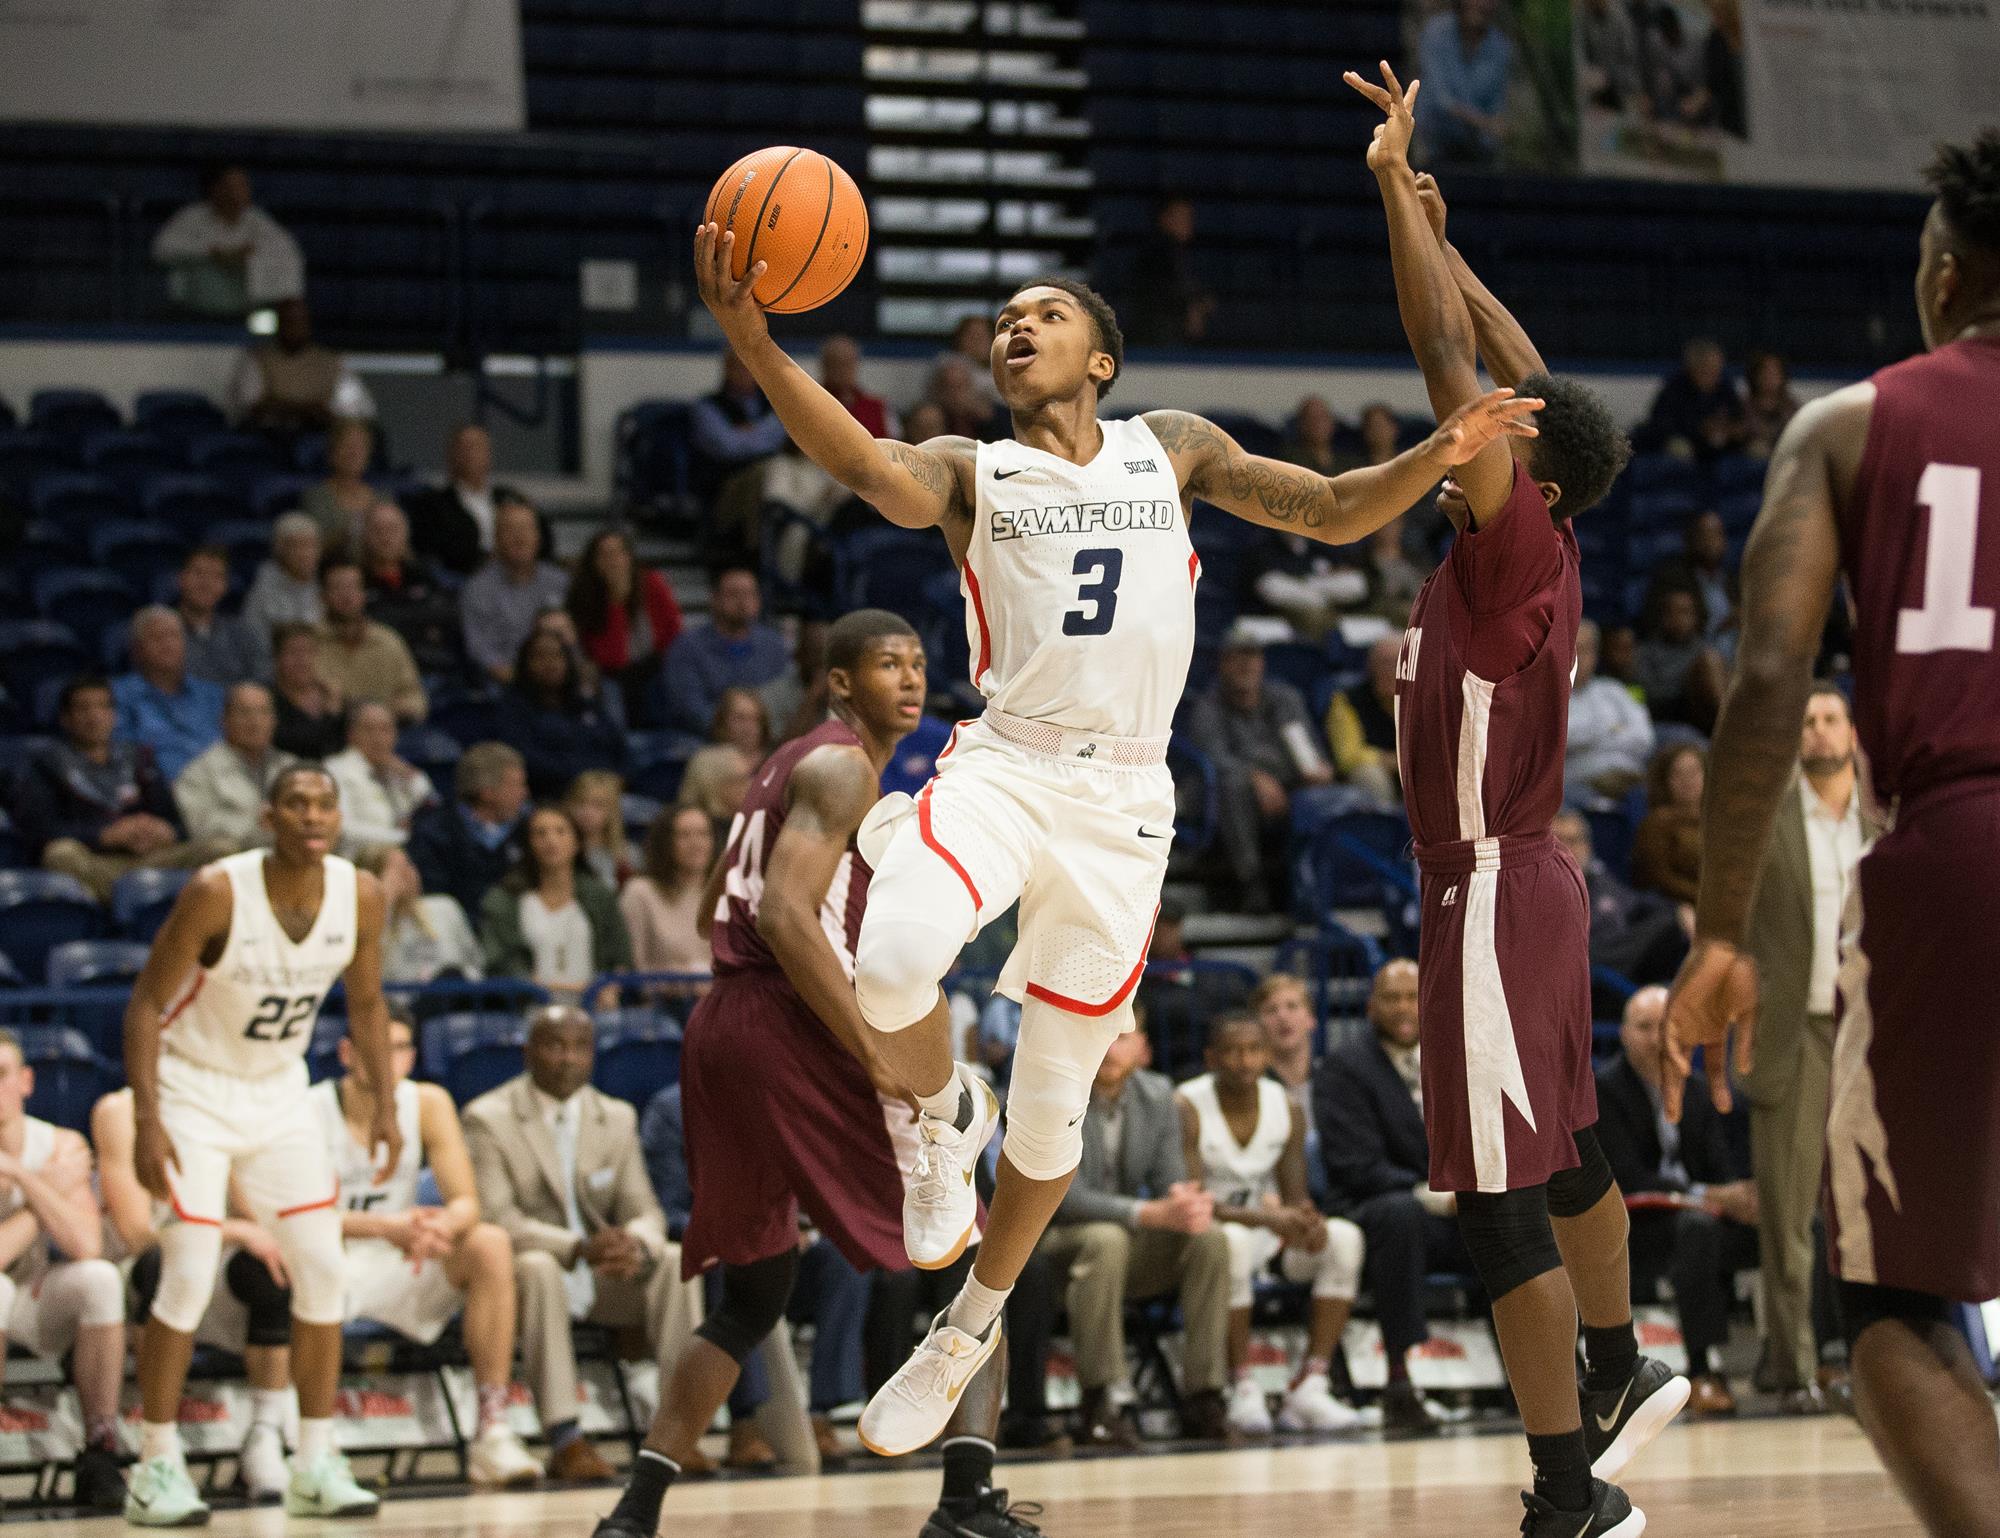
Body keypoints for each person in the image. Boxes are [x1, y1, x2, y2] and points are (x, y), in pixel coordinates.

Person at [688, 154, 1536, 1470]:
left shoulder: (1170, 446)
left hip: (1127, 801)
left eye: (1044, 314)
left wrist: (1438, 451)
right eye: (1002, 320)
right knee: (894, 960)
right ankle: (934, 1120)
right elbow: (861, 461)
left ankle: (966, 1325)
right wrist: (753, 340)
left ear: (1101, 359)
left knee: (1051, 1114)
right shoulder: (971, 470)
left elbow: (1323, 510)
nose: (1014, 328)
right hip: (1007, 765)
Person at [1342, 85, 1682, 1536]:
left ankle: (1565, 1493)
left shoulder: (1511, 540)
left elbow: (1454, 364)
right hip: (1521, 884)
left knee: (1494, 1200)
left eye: (1490, 438)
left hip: (1486, 888)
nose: (1468, 437)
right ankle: (1615, 1359)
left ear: (1518, 471)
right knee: (1565, 1146)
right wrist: (1442, 235)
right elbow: (1521, 373)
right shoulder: (1547, 532)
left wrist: (1390, 189)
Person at [1667, 135, 2000, 1538]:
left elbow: (1766, 677)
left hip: (1960, 845)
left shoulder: (1850, 424)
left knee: (1894, 1301)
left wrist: (1720, 929)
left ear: (1943, 278)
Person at [592, 611, 1052, 1538]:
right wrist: (872, 1051)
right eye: (887, 664)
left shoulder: (791, 766)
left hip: (722, 1028)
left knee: (754, 1294)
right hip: (791, 1027)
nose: (910, 679)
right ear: (840, 682)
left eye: (917, 663)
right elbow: (784, 917)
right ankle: (967, 1502)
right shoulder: (843, 768)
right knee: (979, 1260)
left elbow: (733, 912)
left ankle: (632, 1516)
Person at [119, 763, 401, 1526]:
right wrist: (147, 1117)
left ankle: (314, 1461)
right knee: (186, 1273)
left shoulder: (362, 894)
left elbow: (368, 1004)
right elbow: (145, 1005)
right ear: (268, 817)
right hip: (193, 1088)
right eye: (296, 803)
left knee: (322, 1268)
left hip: (278, 1090)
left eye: (325, 804)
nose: (313, 815)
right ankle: (155, 1465)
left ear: (339, 817)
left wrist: (386, 1106)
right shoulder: (218, 890)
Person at [463, 1006, 703, 1484]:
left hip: (602, 1273)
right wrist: (576, 1247)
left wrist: (634, 1243)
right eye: (555, 1046)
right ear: (528, 1052)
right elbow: (498, 1218)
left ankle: (677, 1431)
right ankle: (565, 1438)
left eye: (579, 1048)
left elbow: (645, 1209)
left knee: (673, 1260)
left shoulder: (615, 1116)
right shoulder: (487, 1117)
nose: (568, 1058)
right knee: (538, 1267)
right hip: (528, 1276)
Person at [308, 1008, 543, 1486]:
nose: (385, 1060)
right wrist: (385, 1227)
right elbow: (299, 1219)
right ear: (347, 1053)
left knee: (489, 1243)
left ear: (411, 1057)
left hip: (403, 1258)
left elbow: (466, 1202)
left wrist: (439, 1227)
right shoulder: (309, 1109)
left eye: (397, 1049)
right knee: (305, 1260)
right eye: (374, 1049)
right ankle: (315, 1439)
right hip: (329, 1262)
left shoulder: (429, 1103)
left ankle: (493, 1429)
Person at [1738, 686, 1874, 1413]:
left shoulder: (1884, 820)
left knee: (1877, 1216)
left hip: (1876, 1035)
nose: (1819, 731)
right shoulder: (1766, 818)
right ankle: (1794, 1371)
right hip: (1796, 1033)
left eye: (1830, 719)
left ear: (1853, 731)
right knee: (1789, 1215)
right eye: (1808, 721)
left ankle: (1881, 1368)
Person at [96, 1087, 301, 1504]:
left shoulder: (223, 1100)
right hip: (142, 1269)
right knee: (165, 1266)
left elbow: (256, 1219)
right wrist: (236, 1231)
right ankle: (160, 1450)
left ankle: (266, 1434)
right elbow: (138, 1235)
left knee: (270, 1269)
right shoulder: (120, 1111)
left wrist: (240, 1193)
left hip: (215, 1262)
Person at [1036, 1029, 1232, 1446]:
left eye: (1122, 1037)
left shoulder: (1158, 1095)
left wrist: (1183, 1203)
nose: (1109, 1048)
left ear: (1144, 1048)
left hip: (1122, 1246)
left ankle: (1205, 1396)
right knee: (1106, 1239)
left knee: (1209, 1238)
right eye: (1100, 1035)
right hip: (1052, 1247)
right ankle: (1101, 1398)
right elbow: (1062, 1199)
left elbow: (1168, 1180)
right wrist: (1147, 1212)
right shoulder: (1054, 1091)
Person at [1179, 1014, 1366, 1437]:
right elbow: (1193, 1200)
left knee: (1344, 1239)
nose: (1244, 1061)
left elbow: (1294, 1194)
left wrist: (1307, 1221)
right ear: (1211, 1058)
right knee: (1231, 1241)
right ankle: (1241, 1384)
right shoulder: (1187, 1104)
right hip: (1208, 1235)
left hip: (1269, 1235)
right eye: (1232, 1051)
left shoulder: (1286, 1105)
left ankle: (1311, 1384)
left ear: (1266, 1056)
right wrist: (1270, 1217)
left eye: (1253, 1050)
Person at [1314, 959, 1468, 1434]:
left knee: (1514, 1215)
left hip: (1449, 1208)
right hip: (1370, 1205)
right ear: (1371, 1007)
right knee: (1399, 1217)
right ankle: (1399, 1378)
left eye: (1412, 997)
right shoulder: (1344, 1067)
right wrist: (1435, 1195)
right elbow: (1355, 1165)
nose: (1404, 1008)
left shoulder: (1454, 1057)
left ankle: (1544, 1368)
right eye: (1392, 998)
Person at [1595, 988, 1758, 1417]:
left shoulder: (1698, 1089)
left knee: (1799, 1226)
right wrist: (1706, 1196)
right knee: (1697, 1231)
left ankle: (1817, 1359)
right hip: (1636, 1227)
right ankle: (1703, 1370)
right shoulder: (1603, 1091)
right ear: (1624, 1035)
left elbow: (1720, 1169)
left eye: (1664, 1027)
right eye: (1644, 1027)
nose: (1656, 1038)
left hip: (1698, 1219)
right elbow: (1627, 1178)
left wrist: (1739, 1197)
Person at [0, 1031, 129, 1508]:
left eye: (1, 1075)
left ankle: (100, 1448)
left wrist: (24, 1178)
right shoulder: (58, 1163)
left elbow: (86, 1244)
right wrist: (46, 1188)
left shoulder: (60, 1143)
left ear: (26, 1081)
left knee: (101, 1279)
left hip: (33, 1294)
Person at [21, 677, 226, 903]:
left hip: (151, 858)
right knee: (60, 854)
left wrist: (163, 831)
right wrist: (103, 836)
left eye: (103, 706)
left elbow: (176, 824)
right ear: (65, 719)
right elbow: (42, 831)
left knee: (221, 847)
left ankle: (137, 896)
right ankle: (139, 899)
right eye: (84, 708)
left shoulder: (139, 757)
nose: (95, 716)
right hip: (97, 861)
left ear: (114, 715)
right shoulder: (48, 764)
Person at [1187, 622, 1335, 912]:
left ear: (1262, 662)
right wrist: (1254, 777)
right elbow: (1213, 758)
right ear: (1223, 664)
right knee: (1234, 786)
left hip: (1285, 785)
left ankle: (1316, 890)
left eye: (1252, 656)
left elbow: (1306, 748)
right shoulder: (1208, 706)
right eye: (1237, 657)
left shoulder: (1285, 698)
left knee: (1325, 797)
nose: (1246, 665)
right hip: (1223, 790)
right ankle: (1250, 882)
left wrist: (1318, 769)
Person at [478, 803, 631, 1000]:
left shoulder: (600, 895)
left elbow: (620, 955)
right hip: (529, 1009)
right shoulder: (504, 899)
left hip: (593, 1008)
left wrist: (610, 990)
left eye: (560, 831)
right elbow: (501, 962)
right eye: (540, 833)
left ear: (577, 842)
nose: (551, 840)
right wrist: (539, 990)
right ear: (528, 844)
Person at [1554, 810, 1691, 988]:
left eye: (1574, 840)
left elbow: (1638, 903)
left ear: (1588, 845)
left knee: (1671, 925)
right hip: (1583, 967)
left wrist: (1679, 910)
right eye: (1559, 841)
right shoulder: (1540, 890)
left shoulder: (1601, 881)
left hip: (1622, 960)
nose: (1568, 849)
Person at [151, 163, 304, 318]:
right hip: (195, 305)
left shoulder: (258, 220)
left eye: (243, 185)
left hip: (247, 309)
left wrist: (246, 255)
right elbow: (162, 250)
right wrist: (211, 253)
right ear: (214, 189)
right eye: (232, 186)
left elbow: (287, 251)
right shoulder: (191, 217)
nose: (239, 192)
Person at [655, 566, 792, 734]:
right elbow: (690, 709)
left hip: (767, 736)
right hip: (706, 739)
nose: (742, 602)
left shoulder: (773, 644)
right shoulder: (687, 648)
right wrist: (735, 731)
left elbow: (785, 698)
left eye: (749, 594)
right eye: (734, 594)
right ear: (715, 598)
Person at [567, 528, 683, 720]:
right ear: (594, 562)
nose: (612, 560)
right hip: (610, 675)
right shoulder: (585, 596)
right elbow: (610, 658)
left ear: (629, 557)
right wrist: (616, 600)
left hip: (655, 667)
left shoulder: (651, 583)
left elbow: (674, 632)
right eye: (604, 555)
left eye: (618, 553)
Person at [496, 628, 628, 798]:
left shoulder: (585, 703)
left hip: (607, 792)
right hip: (552, 796)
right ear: (525, 663)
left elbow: (620, 748)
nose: (551, 663)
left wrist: (620, 777)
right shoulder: (513, 707)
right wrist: (584, 776)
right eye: (541, 656)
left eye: (558, 655)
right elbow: (525, 758)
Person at [408, 741, 530, 916]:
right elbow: (434, 898)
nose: (524, 793)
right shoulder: (434, 833)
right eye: (516, 784)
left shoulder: (529, 829)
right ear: (487, 793)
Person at [463, 495, 571, 684]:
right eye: (511, 529)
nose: (520, 537)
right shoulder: (478, 589)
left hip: (561, 682)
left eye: (526, 528)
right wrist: (525, 681)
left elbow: (579, 645)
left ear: (538, 537)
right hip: (507, 684)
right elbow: (481, 653)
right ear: (496, 538)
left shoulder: (560, 582)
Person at [174, 683, 296, 850]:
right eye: (244, 712)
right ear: (224, 720)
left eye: (263, 712)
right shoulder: (197, 774)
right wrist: (260, 824)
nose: (255, 722)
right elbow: (201, 828)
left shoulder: (292, 767)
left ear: (274, 720)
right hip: (234, 858)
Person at [114, 607, 227, 782]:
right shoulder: (118, 696)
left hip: (221, 786)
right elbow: (121, 755)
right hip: (159, 790)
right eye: (156, 637)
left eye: (174, 636)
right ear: (136, 649)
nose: (167, 644)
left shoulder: (212, 695)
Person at [230, 298, 374, 434]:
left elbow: (355, 410)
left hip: (319, 436)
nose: (293, 327)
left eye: (299, 320)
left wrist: (318, 413)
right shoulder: (259, 357)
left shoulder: (330, 361)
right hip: (269, 436)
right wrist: (299, 410)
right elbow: (248, 405)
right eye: (288, 320)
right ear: (279, 323)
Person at [315, 556, 427, 723]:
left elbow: (414, 697)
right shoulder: (309, 644)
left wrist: (384, 712)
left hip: (387, 727)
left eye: (353, 587)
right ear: (323, 596)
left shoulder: (388, 641)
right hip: (329, 729)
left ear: (363, 594)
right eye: (338, 587)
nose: (346, 595)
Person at [324, 701, 436, 865]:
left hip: (405, 855)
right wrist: (402, 837)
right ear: (351, 734)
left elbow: (431, 805)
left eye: (385, 729)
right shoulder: (336, 769)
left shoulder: (397, 770)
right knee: (396, 859)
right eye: (369, 729)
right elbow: (342, 828)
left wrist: (413, 777)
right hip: (356, 858)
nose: (378, 738)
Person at [356, 501, 460, 676]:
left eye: (392, 529)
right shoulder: (357, 579)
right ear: (365, 536)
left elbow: (448, 614)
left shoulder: (424, 573)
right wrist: (421, 622)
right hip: (379, 669)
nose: (385, 537)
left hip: (429, 666)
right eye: (378, 530)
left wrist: (394, 618)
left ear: (405, 534)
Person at [404, 424, 516, 577]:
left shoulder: (509, 498)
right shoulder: (431, 504)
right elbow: (432, 552)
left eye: (477, 446)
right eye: (464, 447)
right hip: (462, 580)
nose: (471, 454)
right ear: (450, 455)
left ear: (489, 454)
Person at [619, 805, 716, 981]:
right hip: (664, 995)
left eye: (703, 834)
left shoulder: (725, 893)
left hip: (719, 994)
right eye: (684, 835)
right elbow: (632, 968)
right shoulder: (640, 892)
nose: (696, 844)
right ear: (665, 843)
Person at [1565, 619, 1655, 805]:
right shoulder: (1548, 698)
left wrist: (1590, 739)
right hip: (1579, 784)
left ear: (1595, 655)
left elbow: (1644, 738)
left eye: (1585, 649)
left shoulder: (1614, 691)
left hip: (1629, 779)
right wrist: (1612, 729)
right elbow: (1563, 741)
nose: (1578, 657)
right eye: (1573, 649)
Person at [1415, 0, 1513, 166]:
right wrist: (1485, 123)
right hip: (1433, 146)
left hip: (1478, 152)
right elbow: (1441, 100)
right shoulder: (1436, 34)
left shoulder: (1501, 48)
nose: (1482, 5)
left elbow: (1496, 107)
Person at [1124, 194, 1216, 346]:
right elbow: (1160, 294)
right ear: (1165, 219)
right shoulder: (1156, 253)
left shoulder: (1177, 253)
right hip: (1156, 340)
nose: (1188, 222)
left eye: (1189, 217)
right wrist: (1190, 307)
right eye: (1181, 217)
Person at [1635, 583, 1726, 731]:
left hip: (1706, 715)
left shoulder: (1703, 648)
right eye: (1674, 612)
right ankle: (1732, 725)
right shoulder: (1646, 652)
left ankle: (1731, 724)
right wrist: (1689, 682)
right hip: (1670, 717)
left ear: (1696, 617)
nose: (1680, 619)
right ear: (1663, 617)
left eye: (1686, 612)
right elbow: (1648, 696)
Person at [175, 544, 270, 687]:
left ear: (225, 585)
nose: (206, 584)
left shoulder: (242, 633)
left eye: (216, 576)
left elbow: (262, 680)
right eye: (198, 573)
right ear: (181, 578)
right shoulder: (160, 632)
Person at [1637, 338, 1745, 461]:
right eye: (1707, 369)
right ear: (1693, 367)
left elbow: (1737, 416)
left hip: (1720, 444)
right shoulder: (1675, 388)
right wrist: (1700, 428)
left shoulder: (1725, 387)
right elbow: (1662, 424)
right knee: (1680, 449)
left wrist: (1732, 429)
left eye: (1717, 368)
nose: (1714, 374)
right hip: (1684, 442)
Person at [1326, 635, 1404, 806]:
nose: (1391, 670)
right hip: (1371, 772)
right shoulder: (1347, 700)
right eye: (1384, 663)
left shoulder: (1425, 700)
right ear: (1371, 668)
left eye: (1397, 663)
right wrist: (1388, 760)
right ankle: (1382, 821)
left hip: (1412, 768)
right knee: (1370, 775)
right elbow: (1348, 757)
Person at [1643, 509, 1739, 646]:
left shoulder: (1734, 579)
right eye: (1705, 534)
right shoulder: (1671, 578)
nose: (1711, 542)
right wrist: (1720, 626)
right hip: (1690, 653)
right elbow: (1655, 627)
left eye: (1717, 534)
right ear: (1690, 539)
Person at [1632, 743, 1706, 903]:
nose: (1687, 780)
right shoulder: (1656, 823)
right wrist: (1705, 897)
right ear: (1665, 780)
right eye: (1678, 774)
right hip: (1674, 904)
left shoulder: (1718, 821)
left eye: (1693, 772)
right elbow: (1660, 878)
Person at [241, 515, 326, 642]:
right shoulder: (264, 591)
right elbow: (252, 639)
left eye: (311, 546)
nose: (305, 554)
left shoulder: (323, 585)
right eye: (297, 546)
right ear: (280, 550)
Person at [269, 622, 347, 760]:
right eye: (293, 652)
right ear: (277, 657)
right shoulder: (268, 700)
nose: (301, 660)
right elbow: (297, 743)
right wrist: (331, 715)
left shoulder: (332, 694)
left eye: (308, 651)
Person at [301, 418, 379, 553]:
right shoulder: (315, 497)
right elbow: (309, 548)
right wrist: (343, 537)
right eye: (347, 445)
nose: (354, 453)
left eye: (360, 446)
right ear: (332, 452)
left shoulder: (382, 497)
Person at [564, 769, 632, 891]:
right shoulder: (559, 851)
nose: (587, 812)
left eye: (598, 805)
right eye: (581, 802)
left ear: (613, 811)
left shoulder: (629, 855)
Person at [821, 334, 897, 438]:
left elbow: (895, 444)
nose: (842, 370)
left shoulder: (879, 408)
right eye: (835, 363)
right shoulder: (809, 405)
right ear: (824, 365)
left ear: (856, 364)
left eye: (847, 363)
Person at [1741, 350, 1800, 458]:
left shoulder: (1790, 406)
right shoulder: (1745, 406)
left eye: (1774, 373)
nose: (1769, 378)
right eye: (1765, 373)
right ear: (1755, 376)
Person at [710, 684, 774, 767]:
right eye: (740, 718)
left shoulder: (777, 760)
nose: (748, 727)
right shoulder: (708, 763)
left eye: (755, 719)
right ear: (723, 721)